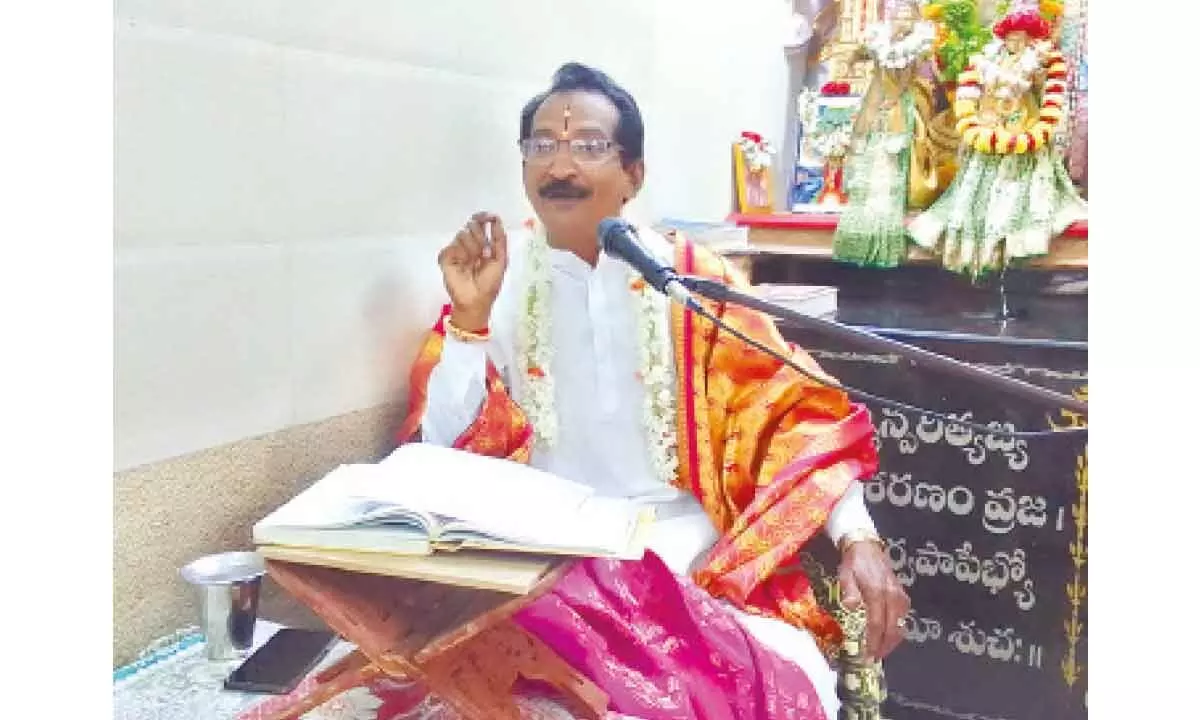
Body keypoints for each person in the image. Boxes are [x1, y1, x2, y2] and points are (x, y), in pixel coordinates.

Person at [286, 62, 909, 720]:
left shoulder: (691, 283)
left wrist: (857, 538)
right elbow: (442, 451)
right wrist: (469, 323)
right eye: (542, 146)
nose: (561, 165)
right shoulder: (499, 283)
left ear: (632, 175)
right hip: (544, 564)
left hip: (686, 559)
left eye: (588, 145)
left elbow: (797, 415)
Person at [907, 2, 1086, 279]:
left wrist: (1035, 81)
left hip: (1023, 128)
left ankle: (1017, 245)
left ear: (1029, 38)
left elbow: (1049, 92)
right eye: (1011, 37)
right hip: (990, 127)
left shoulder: (1039, 58)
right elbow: (973, 91)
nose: (1015, 43)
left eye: (1020, 38)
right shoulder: (989, 58)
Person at [833, 0, 937, 268]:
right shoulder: (878, 37)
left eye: (906, 15)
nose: (901, 19)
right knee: (871, 151)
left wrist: (898, 96)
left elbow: (921, 67)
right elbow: (857, 53)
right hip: (876, 102)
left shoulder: (919, 41)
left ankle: (902, 206)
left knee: (898, 152)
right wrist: (850, 60)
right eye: (897, 14)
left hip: (902, 106)